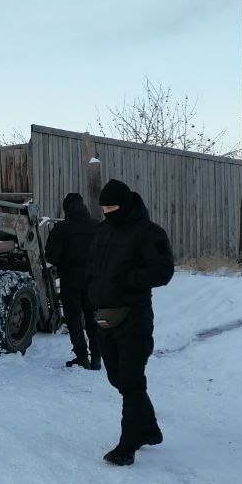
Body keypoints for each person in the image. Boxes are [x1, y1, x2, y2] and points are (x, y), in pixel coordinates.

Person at [87, 178, 175, 466]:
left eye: (112, 207)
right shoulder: (101, 231)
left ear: (124, 205)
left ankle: (128, 444)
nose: (107, 212)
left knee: (131, 380)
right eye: (103, 208)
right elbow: (94, 267)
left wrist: (127, 281)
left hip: (134, 316)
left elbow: (163, 270)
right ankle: (149, 429)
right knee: (117, 378)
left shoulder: (148, 233)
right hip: (104, 316)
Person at [44, 192, 99, 369]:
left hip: (70, 281)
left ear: (66, 208)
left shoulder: (62, 229)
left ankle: (82, 357)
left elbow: (51, 256)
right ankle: (97, 358)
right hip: (93, 281)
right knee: (93, 319)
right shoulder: (97, 227)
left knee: (74, 320)